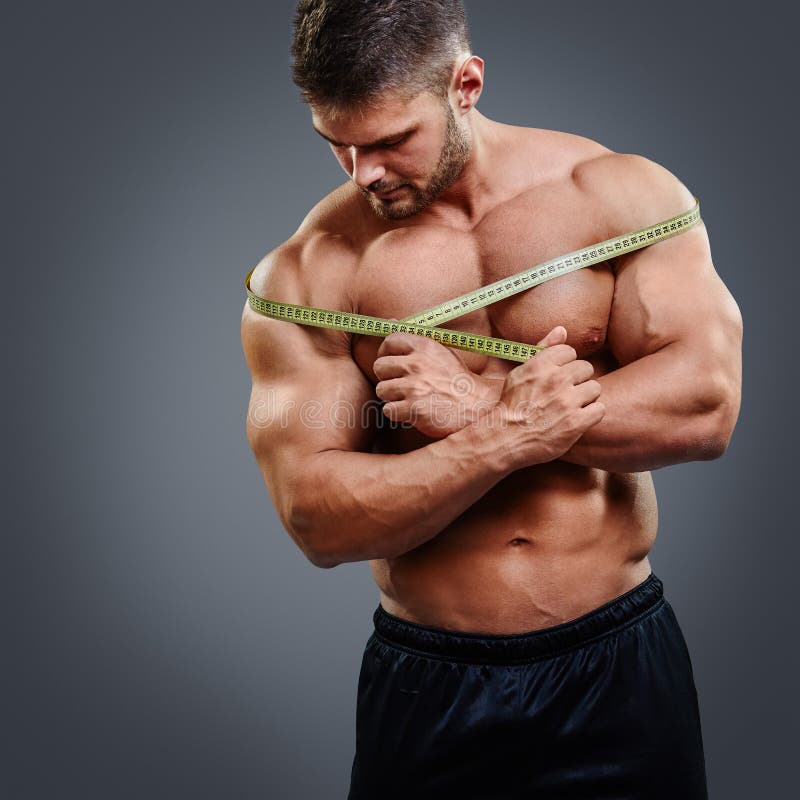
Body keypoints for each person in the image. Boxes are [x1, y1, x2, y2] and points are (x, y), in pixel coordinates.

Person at [240, 1, 743, 797]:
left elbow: (705, 406)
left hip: (617, 666)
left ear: (465, 83)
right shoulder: (311, 273)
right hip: (429, 684)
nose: (362, 170)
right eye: (336, 143)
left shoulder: (618, 196)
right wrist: (499, 437)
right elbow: (316, 516)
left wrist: (474, 412)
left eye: (389, 140)